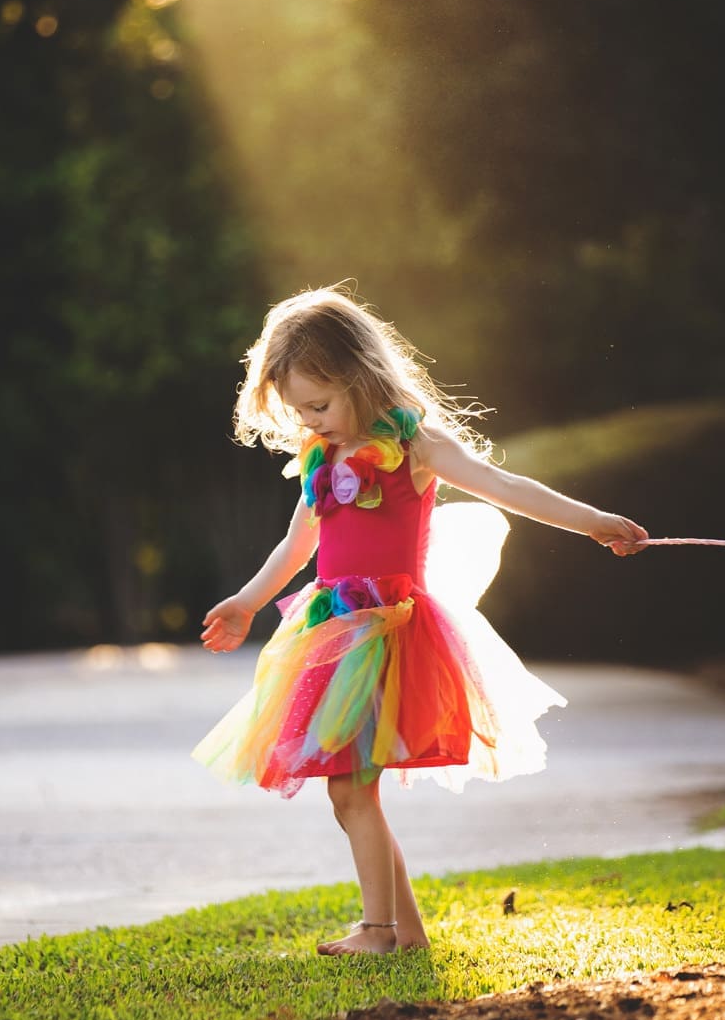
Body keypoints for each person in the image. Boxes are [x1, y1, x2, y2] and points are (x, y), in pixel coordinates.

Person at [192, 287, 649, 956]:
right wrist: (247, 601)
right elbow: (297, 547)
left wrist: (594, 523)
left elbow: (511, 488)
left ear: (361, 377)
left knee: (352, 788)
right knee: (347, 792)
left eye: (320, 404)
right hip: (331, 631)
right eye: (300, 411)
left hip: (390, 632)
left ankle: (379, 930)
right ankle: (406, 933)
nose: (312, 422)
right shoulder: (322, 458)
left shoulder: (415, 447)